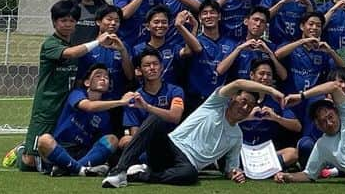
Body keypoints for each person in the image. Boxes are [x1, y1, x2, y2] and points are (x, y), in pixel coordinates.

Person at [100, 78, 284, 188]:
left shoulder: (237, 136)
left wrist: (235, 174)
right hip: (169, 147)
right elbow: (237, 83)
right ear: (233, 98)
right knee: (156, 119)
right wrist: (270, 89)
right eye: (243, 101)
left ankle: (141, 174)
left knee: (190, 175)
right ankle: (120, 172)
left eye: (250, 106)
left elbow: (230, 168)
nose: (245, 107)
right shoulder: (215, 104)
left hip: (186, 165)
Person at [15, 0, 120, 171]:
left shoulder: (73, 46)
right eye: (63, 21)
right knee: (30, 162)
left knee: (56, 148)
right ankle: (20, 152)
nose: (68, 25)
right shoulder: (51, 44)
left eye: (72, 21)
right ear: (55, 22)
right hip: (48, 107)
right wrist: (97, 42)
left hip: (67, 106)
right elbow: (69, 54)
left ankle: (74, 167)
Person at [37, 63, 134, 177]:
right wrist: (121, 102)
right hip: (62, 147)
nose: (103, 78)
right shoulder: (77, 93)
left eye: (106, 77)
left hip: (84, 153)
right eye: (98, 75)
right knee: (44, 140)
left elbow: (101, 141)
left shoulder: (105, 114)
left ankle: (70, 168)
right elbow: (88, 106)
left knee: (112, 139)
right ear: (87, 82)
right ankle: (81, 170)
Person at [274, 11, 344, 121]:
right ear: (302, 26)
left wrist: (330, 51)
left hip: (312, 100)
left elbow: (343, 69)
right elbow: (277, 54)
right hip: (291, 98)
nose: (314, 28)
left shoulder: (323, 52)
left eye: (318, 25)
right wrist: (302, 41)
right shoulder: (291, 46)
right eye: (311, 24)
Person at [239, 59, 302, 170]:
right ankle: (267, 170)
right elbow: (225, 123)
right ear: (252, 75)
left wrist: (276, 118)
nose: (265, 77)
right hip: (242, 150)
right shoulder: (241, 97)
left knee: (292, 154)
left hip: (267, 152)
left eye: (269, 74)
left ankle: (252, 170)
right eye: (261, 73)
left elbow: (297, 126)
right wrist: (247, 117)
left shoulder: (277, 99)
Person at [119, 47, 185, 151]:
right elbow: (136, 134)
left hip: (171, 141)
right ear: (139, 70)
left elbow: (175, 117)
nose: (152, 68)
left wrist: (147, 107)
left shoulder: (175, 91)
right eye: (147, 65)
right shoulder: (133, 98)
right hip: (146, 144)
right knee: (126, 140)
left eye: (155, 64)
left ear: (162, 67)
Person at [183, 0, 238, 113]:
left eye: (212, 12)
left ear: (219, 16)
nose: (208, 16)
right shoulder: (195, 41)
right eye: (204, 13)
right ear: (199, 18)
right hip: (194, 100)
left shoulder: (232, 44)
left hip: (219, 101)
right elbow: (187, 53)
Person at [74, 4, 135, 96]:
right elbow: (79, 79)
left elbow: (130, 76)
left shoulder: (124, 46)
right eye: (109, 19)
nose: (113, 23)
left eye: (117, 21)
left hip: (117, 100)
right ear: (98, 22)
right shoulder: (89, 47)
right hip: (93, 100)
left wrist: (123, 51)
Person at [216, 5, 288, 82]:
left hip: (262, 90)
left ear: (266, 27)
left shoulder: (270, 47)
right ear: (246, 21)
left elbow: (283, 76)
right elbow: (220, 70)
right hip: (239, 90)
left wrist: (270, 53)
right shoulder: (234, 44)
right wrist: (239, 49)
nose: (258, 24)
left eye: (262, 22)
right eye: (255, 20)